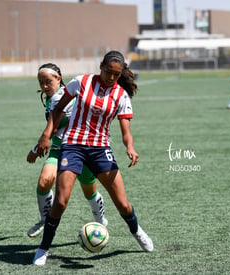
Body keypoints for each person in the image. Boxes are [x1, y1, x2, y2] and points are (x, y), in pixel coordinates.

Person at [32, 51, 154, 266]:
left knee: (123, 204)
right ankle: (43, 248)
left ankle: (137, 232)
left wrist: (130, 147)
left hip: (100, 149)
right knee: (60, 202)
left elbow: (126, 131)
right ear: (101, 66)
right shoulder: (82, 82)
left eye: (116, 75)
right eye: (108, 72)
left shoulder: (121, 95)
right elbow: (58, 109)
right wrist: (45, 135)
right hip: (73, 146)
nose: (111, 78)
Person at [26, 63, 107, 238]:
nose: (44, 86)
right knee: (44, 182)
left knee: (89, 191)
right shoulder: (49, 97)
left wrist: (35, 149)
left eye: (48, 81)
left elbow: (54, 127)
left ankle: (101, 221)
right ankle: (45, 219)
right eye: (41, 82)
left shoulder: (63, 96)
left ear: (58, 79)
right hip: (58, 149)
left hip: (80, 148)